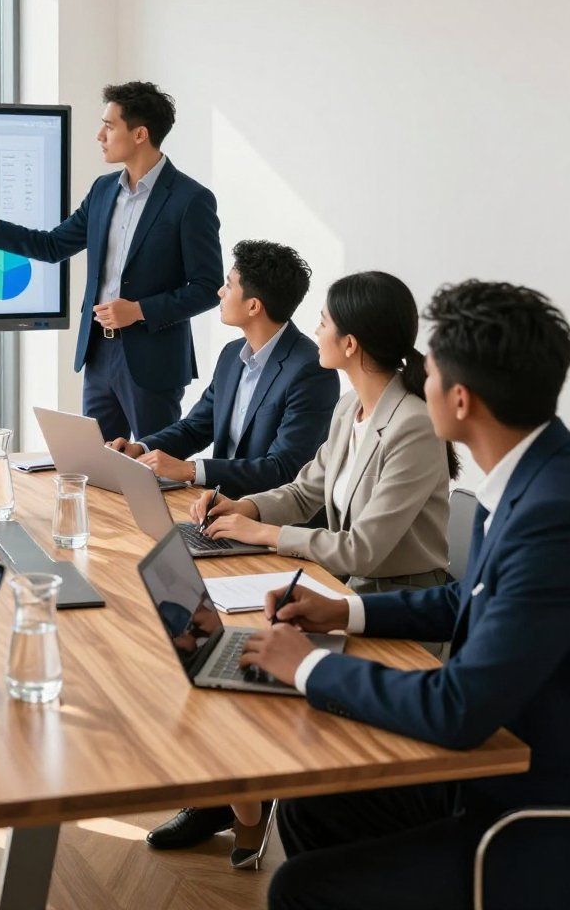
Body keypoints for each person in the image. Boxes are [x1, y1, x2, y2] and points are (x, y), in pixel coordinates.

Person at [238, 280, 570, 910]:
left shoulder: (551, 512)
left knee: (298, 888)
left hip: (525, 809)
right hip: (486, 766)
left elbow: (458, 705)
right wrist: (347, 610)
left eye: (433, 365)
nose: (421, 372)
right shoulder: (529, 476)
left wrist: (307, 664)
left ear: (461, 400)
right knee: (313, 798)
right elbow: (466, 601)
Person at [147, 271, 458, 862]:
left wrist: (264, 532)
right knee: (222, 650)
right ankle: (237, 796)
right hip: (339, 588)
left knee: (250, 661)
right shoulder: (351, 409)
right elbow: (305, 489)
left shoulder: (413, 425)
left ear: (351, 345)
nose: (313, 328)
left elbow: (363, 548)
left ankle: (251, 802)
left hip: (393, 609)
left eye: (323, 321)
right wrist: (245, 505)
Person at [0, 81, 223, 441]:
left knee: (154, 471)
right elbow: (52, 245)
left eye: (109, 126)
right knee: (96, 466)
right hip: (99, 353)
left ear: (140, 134)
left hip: (153, 361)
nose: (99, 135)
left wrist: (138, 310)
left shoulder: (191, 199)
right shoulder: (103, 190)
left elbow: (206, 289)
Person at [108, 239, 339, 491]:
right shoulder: (232, 355)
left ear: (253, 306)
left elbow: (283, 469)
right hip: (216, 505)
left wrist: (190, 470)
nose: (220, 292)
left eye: (228, 285)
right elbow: (195, 428)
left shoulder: (311, 370)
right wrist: (139, 448)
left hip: (269, 519)